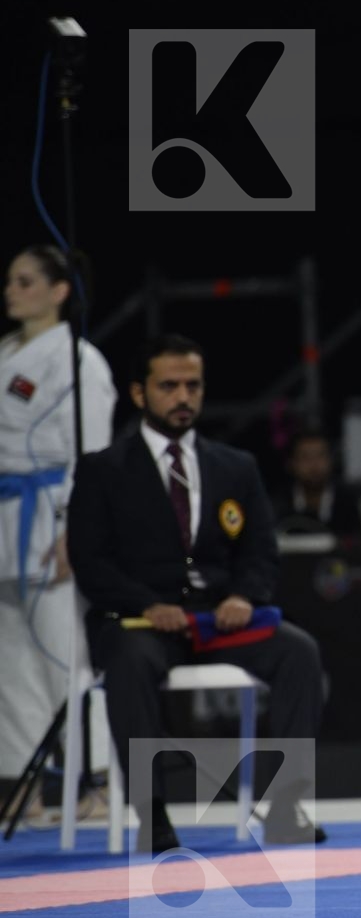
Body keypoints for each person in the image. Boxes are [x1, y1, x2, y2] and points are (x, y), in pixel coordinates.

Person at [67, 335, 326, 853]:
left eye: (192, 385)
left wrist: (245, 598)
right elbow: (90, 562)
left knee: (299, 651)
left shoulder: (236, 466)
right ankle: (153, 813)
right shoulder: (103, 471)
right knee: (130, 660)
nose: (183, 396)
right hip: (141, 622)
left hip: (216, 621)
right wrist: (145, 605)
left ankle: (284, 805)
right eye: (169, 386)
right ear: (139, 394)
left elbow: (260, 554)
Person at [0, 245, 116, 808]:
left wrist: (78, 529)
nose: (11, 290)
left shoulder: (78, 360)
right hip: (6, 513)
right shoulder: (5, 352)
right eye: (11, 281)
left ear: (59, 291)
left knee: (62, 652)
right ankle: (26, 783)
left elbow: (93, 452)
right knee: (11, 657)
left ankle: (92, 777)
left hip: (51, 515)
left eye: (25, 282)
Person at [276, 427, 361, 538]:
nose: (314, 465)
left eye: (321, 456)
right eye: (305, 457)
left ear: (331, 460)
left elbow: (358, 545)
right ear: (291, 463)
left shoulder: (347, 500)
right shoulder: (279, 502)